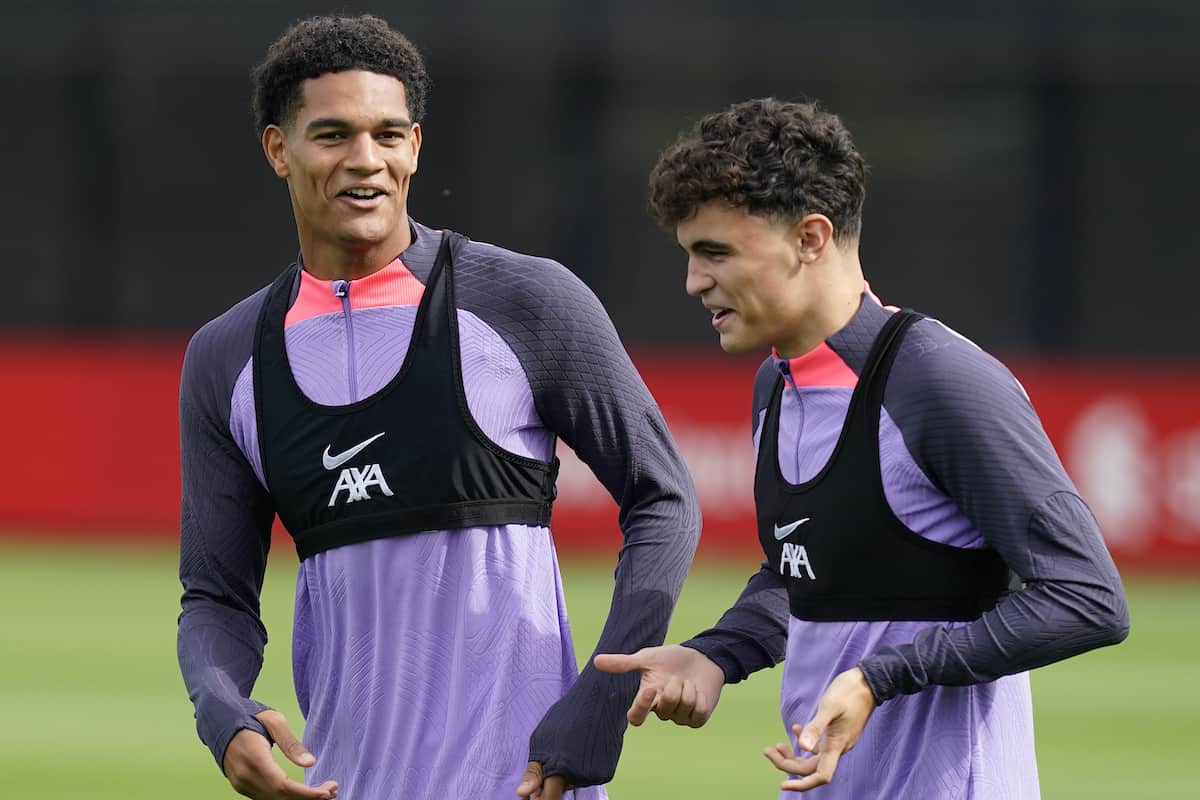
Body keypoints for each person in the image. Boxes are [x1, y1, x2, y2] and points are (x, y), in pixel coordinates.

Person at [175, 14, 700, 800]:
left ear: (416, 146)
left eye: (389, 135)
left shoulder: (527, 301)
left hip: (522, 786)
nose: (367, 161)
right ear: (278, 150)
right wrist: (222, 714)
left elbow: (664, 498)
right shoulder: (227, 357)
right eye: (333, 135)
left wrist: (599, 698)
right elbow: (216, 597)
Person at [595, 97, 1130, 797]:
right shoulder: (775, 386)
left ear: (811, 238)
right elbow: (810, 572)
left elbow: (1087, 597)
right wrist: (715, 656)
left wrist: (883, 676)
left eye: (715, 253)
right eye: (691, 254)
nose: (695, 281)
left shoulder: (938, 381)